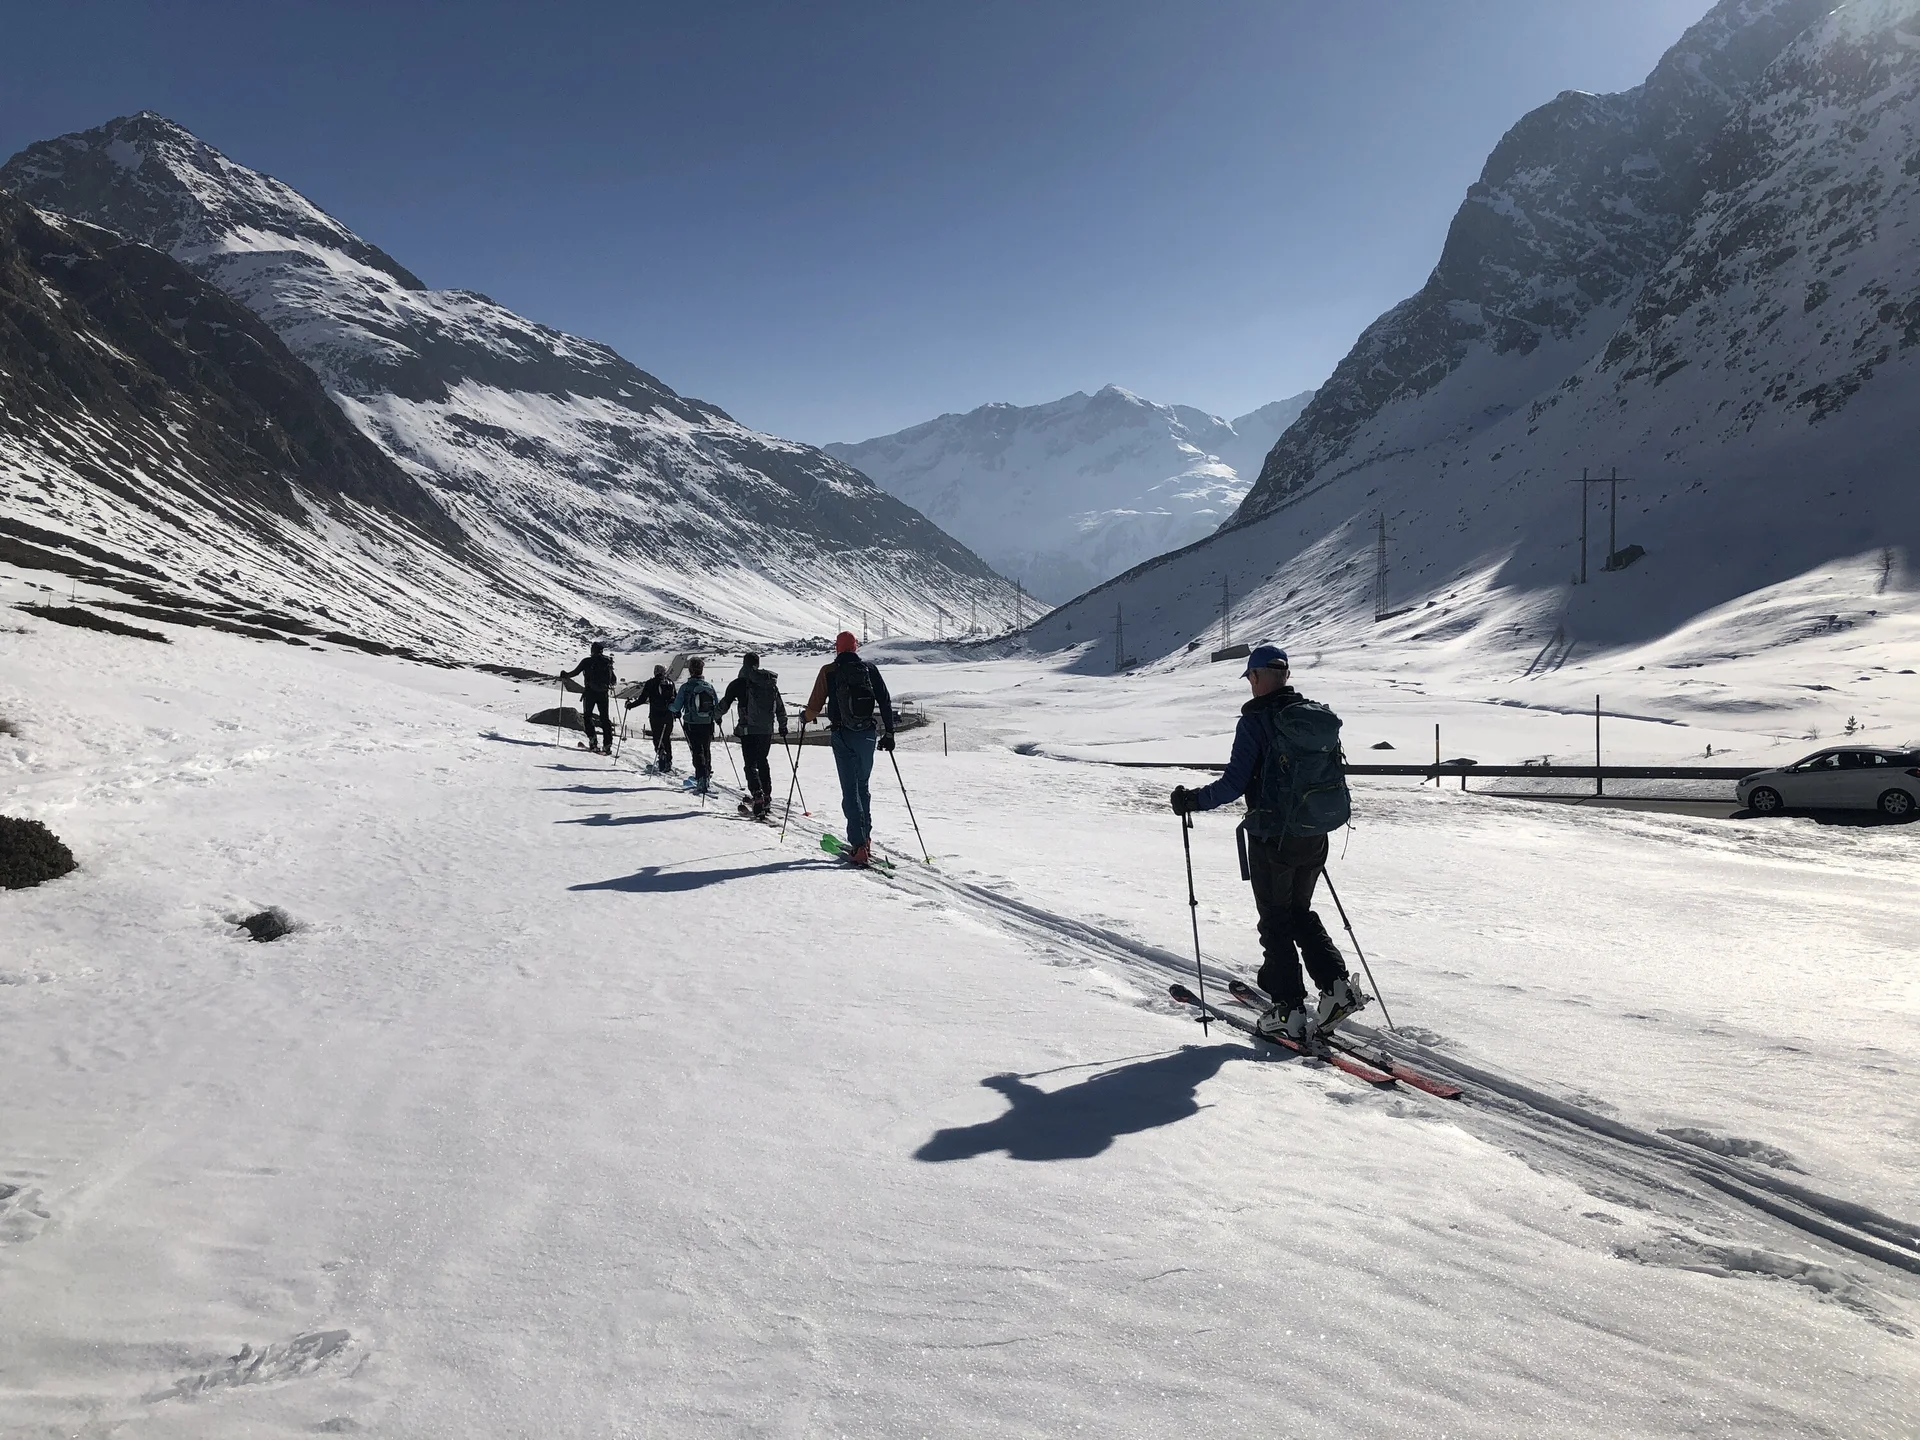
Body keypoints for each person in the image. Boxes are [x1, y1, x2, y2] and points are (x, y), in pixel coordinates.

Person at [1169, 644, 1367, 1043]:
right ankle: (1337, 989)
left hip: (1272, 838)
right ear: (1286, 676)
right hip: (1315, 833)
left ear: (1257, 677)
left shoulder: (1257, 722)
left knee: (1275, 918)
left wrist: (1193, 800)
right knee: (1299, 912)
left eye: (1250, 678)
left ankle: (1288, 1008)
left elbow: (1233, 783)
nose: (1251, 685)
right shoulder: (1310, 716)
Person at [801, 631, 895, 866]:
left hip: (842, 734)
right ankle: (866, 837)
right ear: (855, 647)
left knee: (849, 789)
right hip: (867, 735)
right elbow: (884, 700)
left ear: (837, 648)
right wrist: (889, 732)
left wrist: (806, 717)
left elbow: (814, 705)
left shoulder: (829, 671)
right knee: (863, 785)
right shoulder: (869, 669)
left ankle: (858, 845)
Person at [717, 652, 789, 819]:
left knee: (750, 764)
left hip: (748, 729)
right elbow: (779, 706)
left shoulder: (739, 683)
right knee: (762, 760)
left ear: (744, 663)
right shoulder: (769, 682)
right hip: (766, 729)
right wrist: (783, 725)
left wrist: (715, 716)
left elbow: (725, 703)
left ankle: (757, 795)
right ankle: (767, 796)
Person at [670, 657, 720, 794]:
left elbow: (676, 707)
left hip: (692, 723)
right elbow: (717, 704)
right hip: (708, 723)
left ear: (690, 670)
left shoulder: (686, 688)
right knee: (706, 749)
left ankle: (701, 777)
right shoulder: (709, 687)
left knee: (697, 751)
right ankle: (706, 774)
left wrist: (670, 706)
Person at [561, 641, 617, 754]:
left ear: (592, 650)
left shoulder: (587, 661)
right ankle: (607, 745)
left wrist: (565, 674)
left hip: (590, 693)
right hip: (603, 694)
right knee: (604, 719)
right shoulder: (607, 662)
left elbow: (575, 672)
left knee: (587, 716)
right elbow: (614, 680)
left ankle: (593, 742)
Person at [628, 664, 678, 772]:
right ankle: (668, 762)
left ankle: (661, 754)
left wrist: (630, 705)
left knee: (657, 737)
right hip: (668, 715)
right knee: (666, 738)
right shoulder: (670, 683)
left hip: (655, 715)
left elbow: (642, 699)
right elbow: (676, 699)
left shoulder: (650, 683)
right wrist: (677, 712)